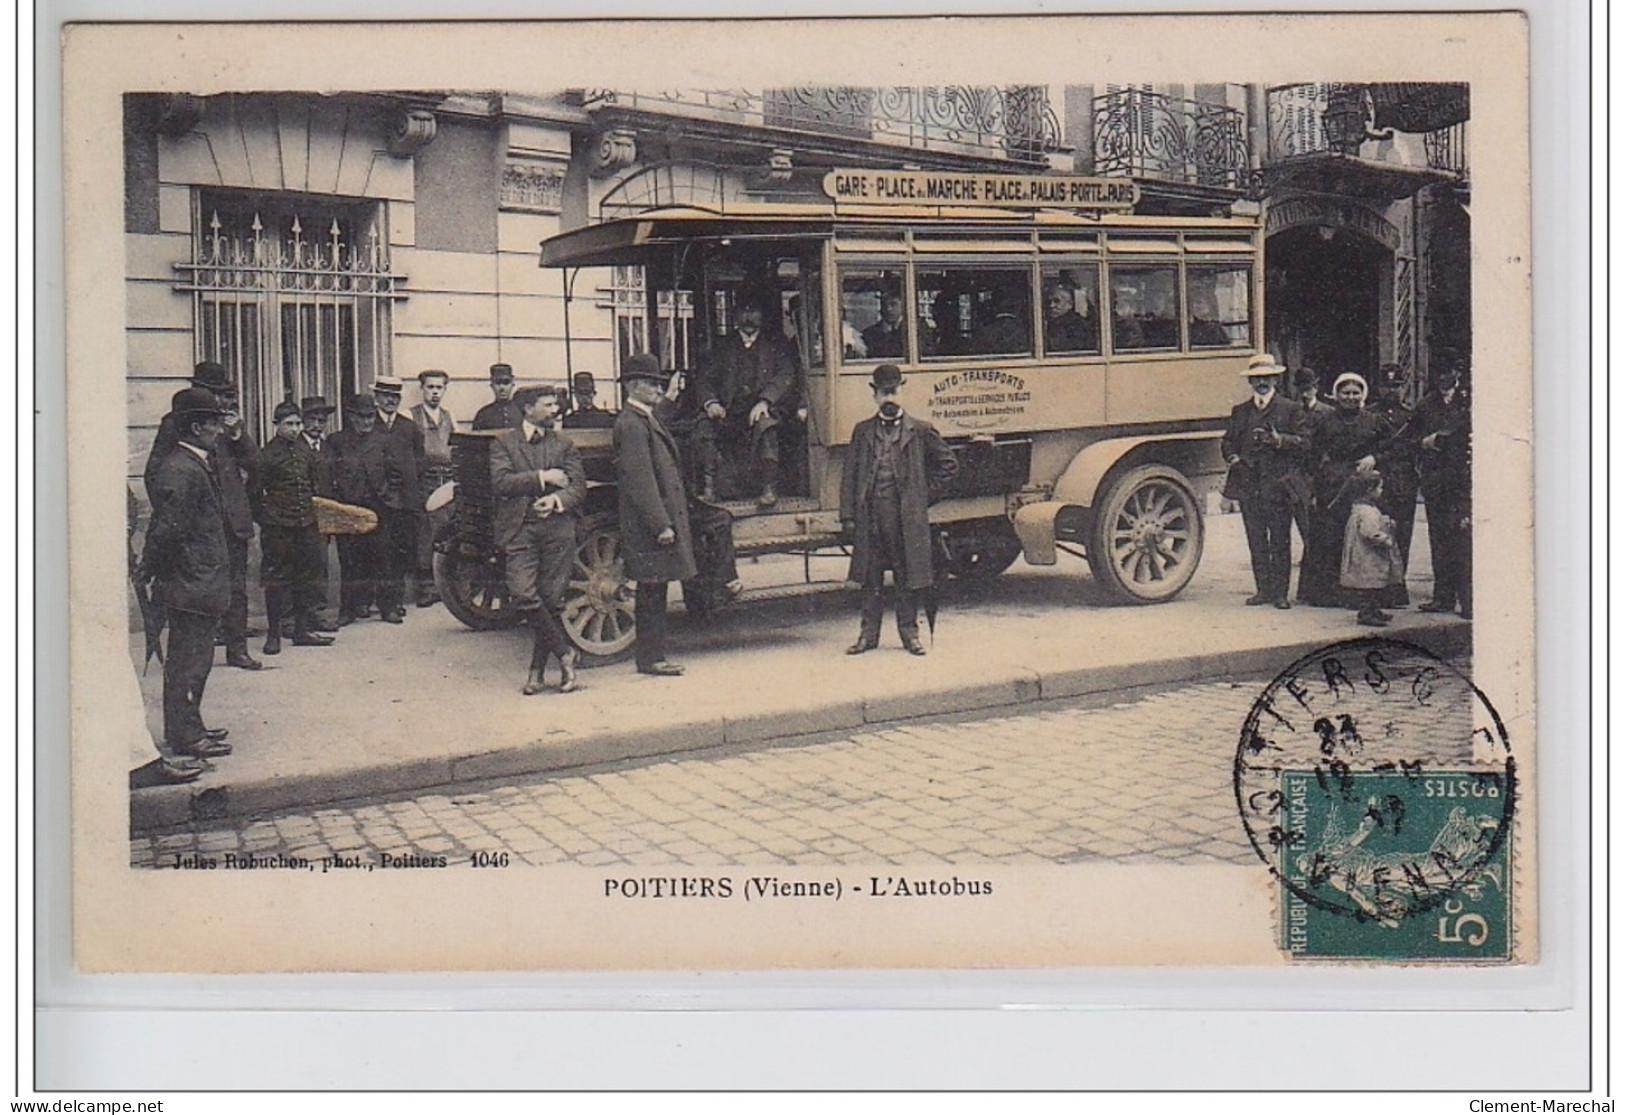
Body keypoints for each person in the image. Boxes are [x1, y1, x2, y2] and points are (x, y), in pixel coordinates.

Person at [143, 361, 260, 670]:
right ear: (199, 389)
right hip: (198, 523)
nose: (223, 400)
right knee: (195, 591)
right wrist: (179, 511)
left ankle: (237, 649)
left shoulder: (227, 423)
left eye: (225, 393)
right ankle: (192, 654)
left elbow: (258, 465)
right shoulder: (176, 423)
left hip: (231, 519)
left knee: (236, 588)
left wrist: (239, 436)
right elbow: (154, 473)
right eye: (216, 392)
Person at [141, 388, 236, 762]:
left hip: (198, 580)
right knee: (188, 661)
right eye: (214, 423)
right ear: (197, 427)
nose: (220, 429)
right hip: (191, 582)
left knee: (195, 660)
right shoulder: (181, 468)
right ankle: (184, 735)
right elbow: (168, 531)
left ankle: (190, 725)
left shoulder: (190, 463)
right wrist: (160, 574)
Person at [840, 364, 958, 656]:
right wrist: (848, 516)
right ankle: (868, 636)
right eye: (883, 393)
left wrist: (921, 498)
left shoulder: (920, 431)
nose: (889, 398)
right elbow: (850, 476)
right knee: (871, 578)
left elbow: (949, 466)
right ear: (875, 395)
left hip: (905, 518)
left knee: (907, 577)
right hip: (870, 517)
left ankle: (910, 635)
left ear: (902, 391)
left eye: (894, 391)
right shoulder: (863, 431)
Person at [491, 385, 587, 695]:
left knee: (549, 599)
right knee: (522, 593)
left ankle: (536, 671)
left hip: (557, 529)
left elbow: (578, 488)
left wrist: (557, 500)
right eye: (548, 405)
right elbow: (501, 482)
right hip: (520, 529)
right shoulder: (504, 443)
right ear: (528, 409)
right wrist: (543, 478)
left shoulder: (564, 443)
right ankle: (565, 652)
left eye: (555, 404)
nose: (555, 409)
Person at [614, 354, 700, 677]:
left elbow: (659, 418)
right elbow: (641, 480)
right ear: (634, 386)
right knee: (652, 591)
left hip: (649, 525)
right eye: (652, 384)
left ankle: (652, 656)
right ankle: (651, 659)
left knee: (655, 588)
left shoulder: (641, 418)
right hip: (649, 527)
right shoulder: (632, 424)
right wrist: (661, 523)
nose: (658, 389)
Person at [1220, 354, 1310, 609]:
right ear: (1251, 381)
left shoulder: (1290, 408)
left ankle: (1280, 593)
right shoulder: (1240, 411)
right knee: (1256, 540)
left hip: (1279, 486)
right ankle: (1263, 590)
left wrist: (1279, 440)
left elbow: (1306, 443)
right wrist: (1232, 457)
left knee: (1280, 540)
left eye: (1266, 378)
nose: (1262, 382)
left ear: (1275, 379)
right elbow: (1227, 441)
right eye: (1257, 378)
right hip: (1250, 486)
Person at [1299, 372, 1394, 607]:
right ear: (1336, 395)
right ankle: (1329, 593)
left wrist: (1374, 456)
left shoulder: (1374, 420)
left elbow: (1393, 448)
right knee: (1331, 536)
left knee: (1361, 537)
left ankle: (1364, 594)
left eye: (1355, 393)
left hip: (1363, 485)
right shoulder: (1325, 420)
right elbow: (1312, 453)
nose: (1350, 397)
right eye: (1345, 393)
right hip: (1332, 485)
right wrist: (1316, 483)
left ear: (1363, 394)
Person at [249, 401, 335, 655]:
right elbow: (254, 494)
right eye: (289, 424)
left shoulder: (306, 451)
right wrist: (268, 520)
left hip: (306, 524)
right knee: (276, 582)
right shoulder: (266, 455)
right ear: (276, 425)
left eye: (298, 424)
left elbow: (313, 485)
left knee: (305, 579)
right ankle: (274, 634)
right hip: (278, 528)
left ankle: (301, 630)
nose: (295, 429)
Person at [695, 301, 798, 506]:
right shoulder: (723, 346)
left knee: (766, 425)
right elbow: (704, 379)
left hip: (760, 410)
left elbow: (785, 375)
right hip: (729, 412)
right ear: (735, 316)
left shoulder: (776, 345)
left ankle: (769, 488)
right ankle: (710, 488)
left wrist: (765, 401)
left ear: (762, 316)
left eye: (754, 312)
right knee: (704, 425)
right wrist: (711, 403)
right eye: (744, 311)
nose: (748, 318)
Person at [1415, 362, 1473, 618]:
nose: (1441, 377)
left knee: (1464, 541)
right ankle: (1443, 598)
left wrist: (1439, 439)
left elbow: (1466, 432)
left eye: (1446, 372)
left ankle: (1469, 601)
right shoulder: (1427, 403)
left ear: (1456, 373)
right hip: (1436, 482)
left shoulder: (1469, 400)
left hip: (1464, 483)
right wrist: (1422, 444)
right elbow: (1411, 434)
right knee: (1439, 540)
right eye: (1438, 373)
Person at [326, 394, 385, 624]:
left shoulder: (382, 440)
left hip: (377, 507)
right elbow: (330, 473)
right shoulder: (337, 441)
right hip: (348, 508)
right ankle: (348, 610)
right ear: (351, 417)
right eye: (362, 417)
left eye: (371, 416)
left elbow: (395, 471)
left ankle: (385, 606)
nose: (367, 422)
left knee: (380, 557)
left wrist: (387, 495)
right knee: (350, 560)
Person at [369, 376, 424, 623]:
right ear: (376, 398)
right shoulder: (370, 425)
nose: (389, 401)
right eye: (384, 396)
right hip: (379, 500)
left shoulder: (408, 427)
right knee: (381, 552)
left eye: (394, 397)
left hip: (406, 500)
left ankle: (396, 600)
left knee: (402, 551)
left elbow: (419, 460)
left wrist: (410, 490)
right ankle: (384, 604)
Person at [1368, 363, 1419, 608]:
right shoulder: (1369, 415)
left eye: (1396, 386)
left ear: (1403, 387)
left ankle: (1398, 586)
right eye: (1387, 386)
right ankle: (1378, 588)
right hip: (1378, 484)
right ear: (1379, 387)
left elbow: (1411, 448)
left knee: (1402, 535)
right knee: (1377, 535)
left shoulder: (1410, 416)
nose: (1391, 391)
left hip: (1403, 483)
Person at [409, 370, 457, 607]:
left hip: (446, 478)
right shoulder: (412, 416)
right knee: (425, 533)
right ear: (422, 389)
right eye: (430, 387)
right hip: (424, 480)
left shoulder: (449, 417)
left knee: (447, 528)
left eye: (439, 388)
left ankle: (445, 586)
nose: (435, 392)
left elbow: (455, 448)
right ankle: (426, 587)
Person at [1341, 471, 1405, 627]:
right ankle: (1366, 613)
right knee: (1370, 586)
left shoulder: (1361, 509)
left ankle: (1374, 610)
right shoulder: (1368, 512)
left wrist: (1385, 522)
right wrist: (1385, 539)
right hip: (1368, 556)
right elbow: (1370, 532)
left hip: (1364, 554)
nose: (1382, 491)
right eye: (1380, 488)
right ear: (1370, 490)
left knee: (1374, 586)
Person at [1043, 280, 1097, 354]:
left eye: (1057, 301)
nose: (1051, 306)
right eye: (1048, 302)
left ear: (1070, 304)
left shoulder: (1078, 325)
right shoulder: (1046, 323)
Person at [472, 363, 522, 431]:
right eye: (498, 383)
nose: (502, 388)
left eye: (506, 383)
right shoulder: (483, 415)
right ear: (492, 385)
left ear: (512, 384)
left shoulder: (522, 412)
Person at [860, 292, 908, 360]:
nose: (888, 309)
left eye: (893, 304)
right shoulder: (870, 334)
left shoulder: (917, 330)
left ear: (903, 306)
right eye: (884, 305)